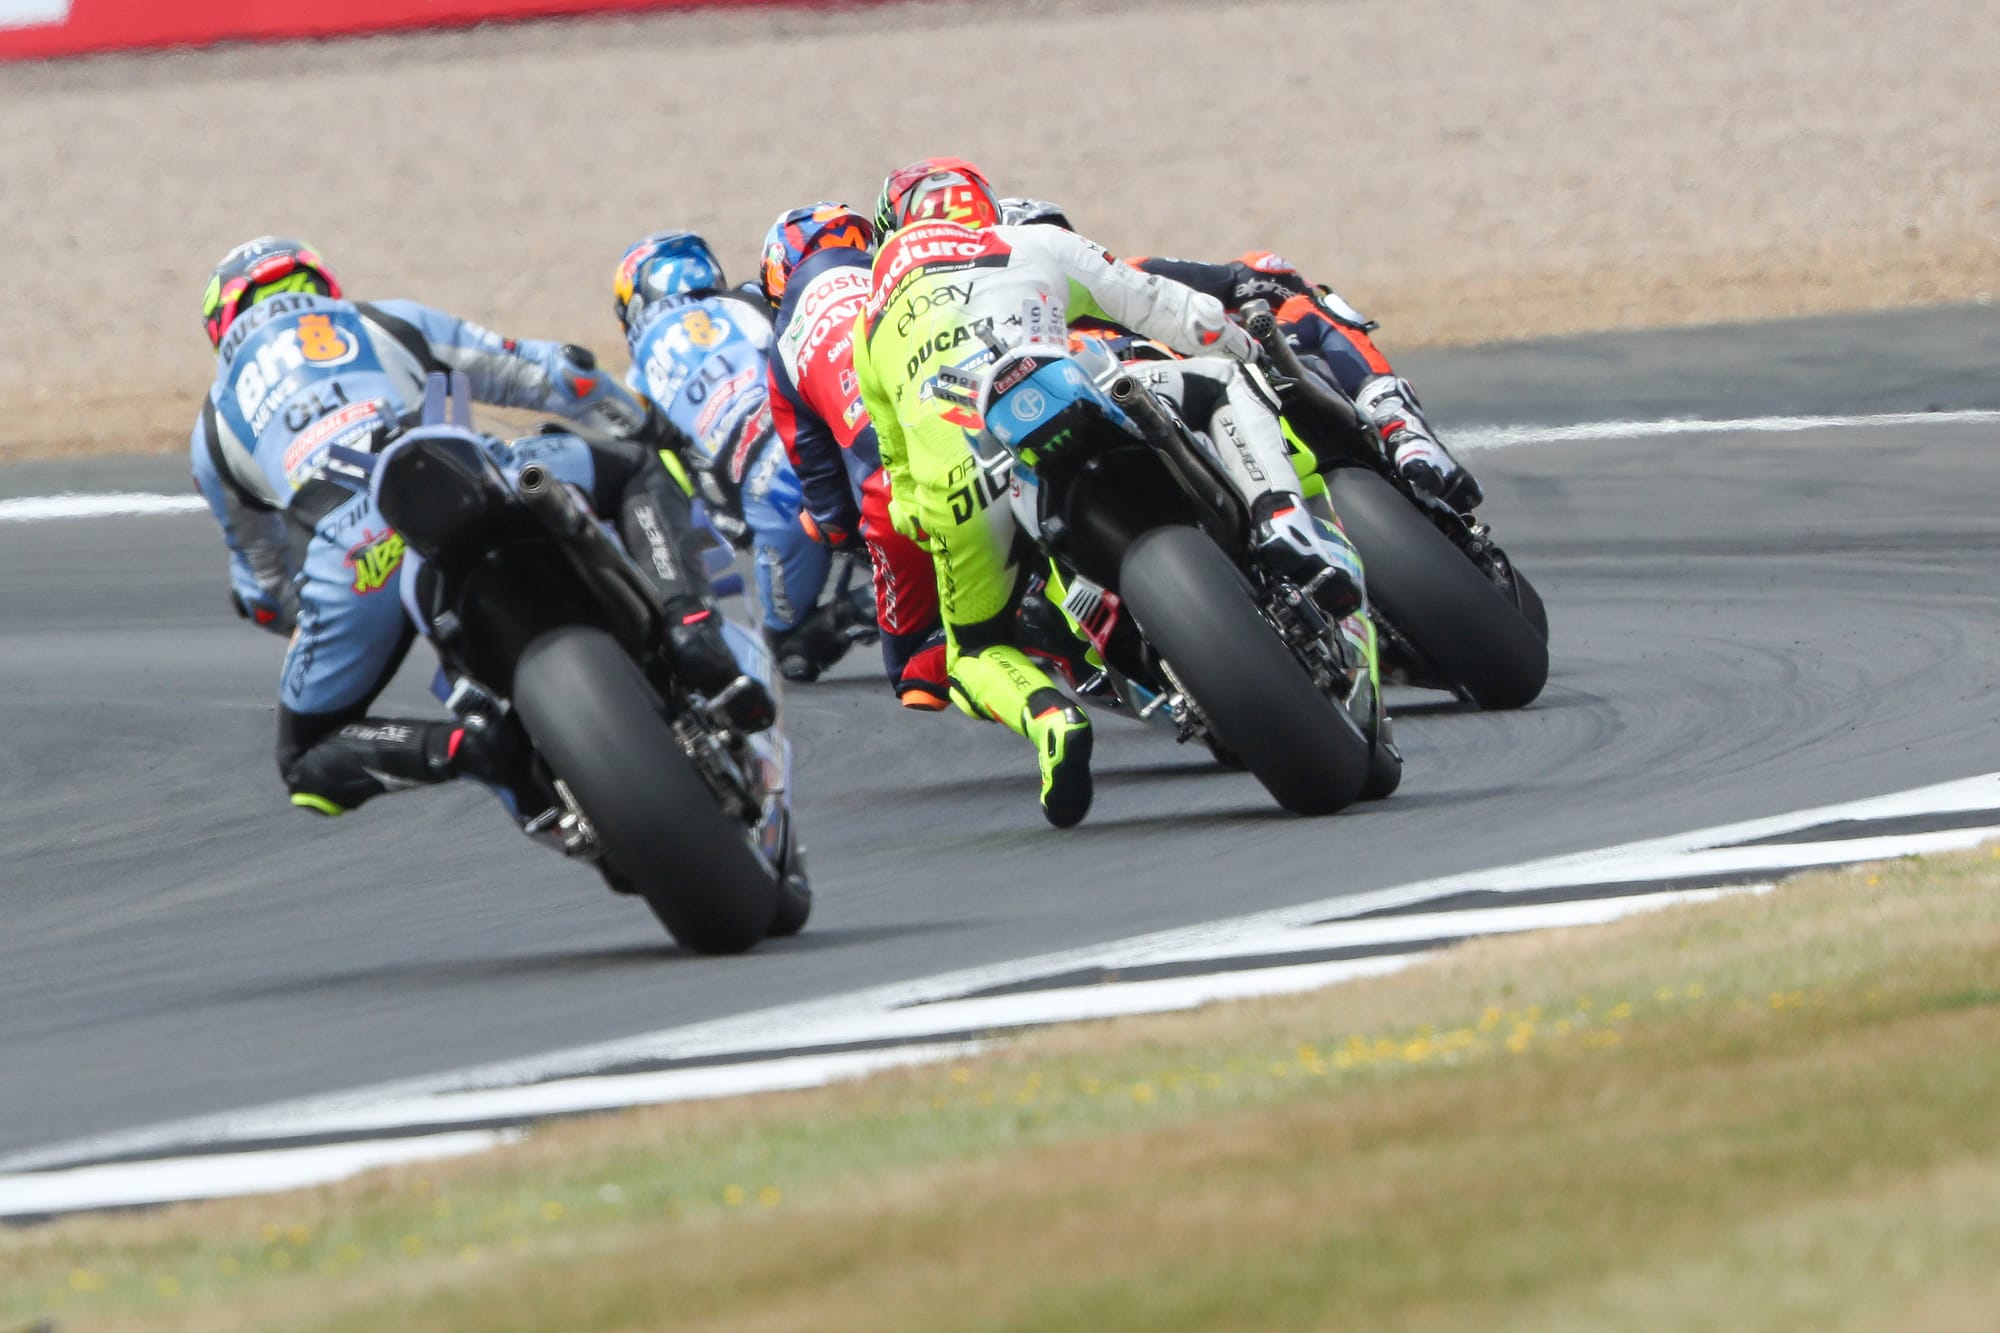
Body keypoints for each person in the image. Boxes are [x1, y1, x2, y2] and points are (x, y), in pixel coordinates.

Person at [853, 157, 1368, 828]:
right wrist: (1243, 348)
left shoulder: (871, 325)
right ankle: (1281, 518)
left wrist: (931, 522)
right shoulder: (1027, 239)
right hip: (1068, 395)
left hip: (962, 480)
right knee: (1221, 381)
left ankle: (1052, 719)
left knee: (975, 651)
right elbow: (1173, 311)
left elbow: (895, 477)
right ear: (984, 205)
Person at [191, 235, 761, 817]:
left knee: (304, 760)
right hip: (470, 475)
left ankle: (467, 749)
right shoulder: (378, 321)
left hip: (357, 554)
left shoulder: (213, 430)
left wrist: (306, 619)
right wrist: (644, 425)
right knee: (640, 467)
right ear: (321, 284)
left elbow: (264, 585)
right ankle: (689, 624)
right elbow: (559, 373)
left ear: (221, 327)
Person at [998, 199, 1483, 513]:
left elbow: (1251, 275)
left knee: (1301, 306)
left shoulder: (1135, 278)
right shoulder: (1010, 363)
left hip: (1234, 392)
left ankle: (1401, 428)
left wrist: (1253, 310)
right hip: (1141, 455)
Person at [614, 229, 870, 683]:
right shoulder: (749, 302)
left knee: (791, 648)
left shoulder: (640, 380)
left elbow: (658, 479)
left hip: (774, 502)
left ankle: (860, 608)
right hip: (838, 446)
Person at [759, 201, 949, 710]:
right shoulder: (908, 276)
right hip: (984, 419)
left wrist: (838, 528)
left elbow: (820, 480)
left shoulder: (787, 343)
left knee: (913, 676)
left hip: (897, 484)